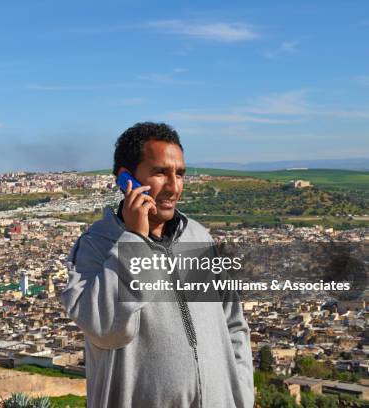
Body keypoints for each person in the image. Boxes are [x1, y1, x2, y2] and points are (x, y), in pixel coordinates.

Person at [61, 122, 254, 408]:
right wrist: (134, 240)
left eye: (180, 174)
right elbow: (105, 328)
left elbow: (233, 324)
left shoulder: (199, 238)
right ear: (127, 179)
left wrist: (240, 394)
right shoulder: (96, 247)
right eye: (161, 172)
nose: (174, 187)